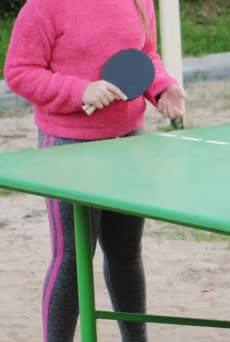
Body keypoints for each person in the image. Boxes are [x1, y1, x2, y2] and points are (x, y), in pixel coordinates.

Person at [3, 0, 186, 341]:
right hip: (68, 150)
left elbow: (145, 56)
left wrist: (160, 87)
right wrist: (80, 91)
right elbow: (19, 72)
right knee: (72, 260)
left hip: (128, 145)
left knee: (126, 254)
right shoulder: (44, 6)